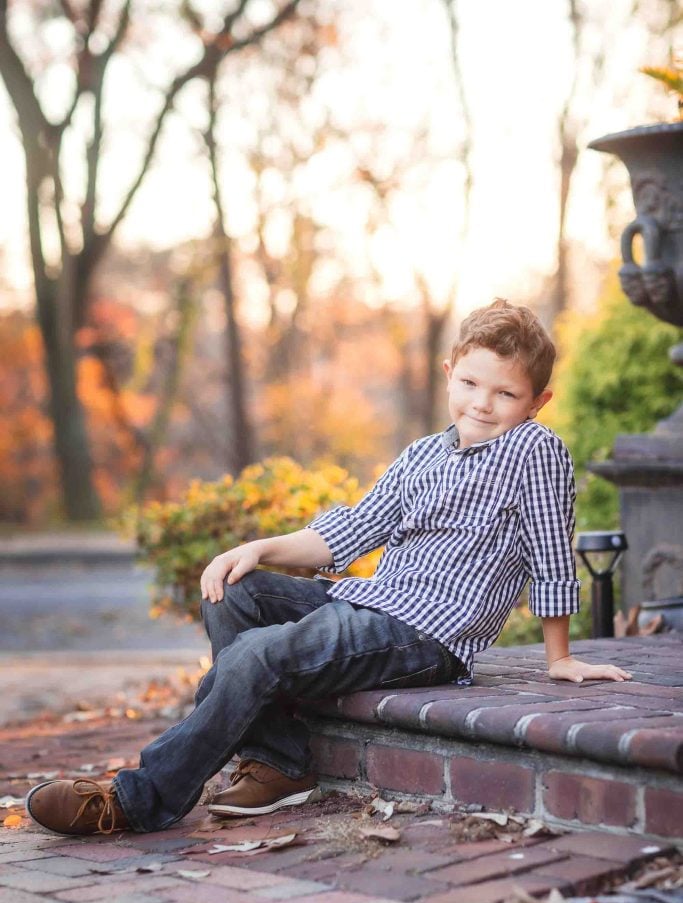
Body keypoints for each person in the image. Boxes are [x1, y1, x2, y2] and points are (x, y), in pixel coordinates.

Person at [26, 298, 631, 837]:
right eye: (472, 382)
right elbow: (348, 531)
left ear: (537, 401)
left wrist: (560, 658)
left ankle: (137, 801)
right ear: (449, 373)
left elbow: (553, 552)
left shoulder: (535, 449)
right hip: (371, 604)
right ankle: (277, 764)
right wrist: (256, 550)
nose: (483, 403)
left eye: (506, 393)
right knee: (235, 594)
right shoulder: (422, 454)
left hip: (428, 636)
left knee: (254, 656)